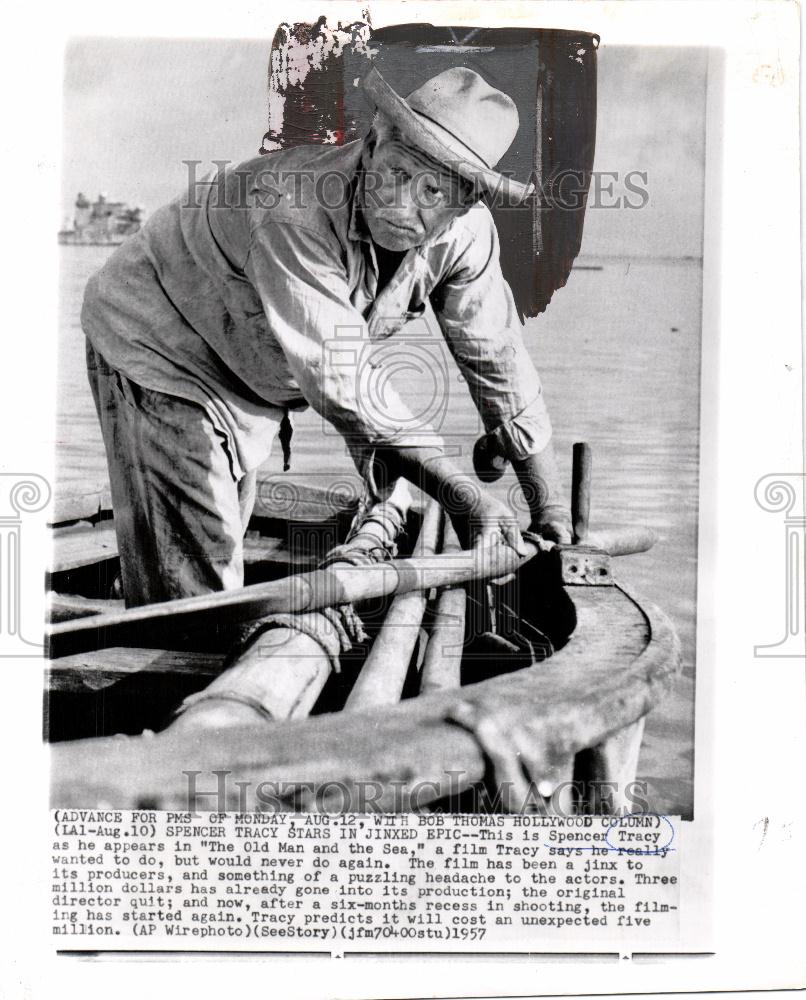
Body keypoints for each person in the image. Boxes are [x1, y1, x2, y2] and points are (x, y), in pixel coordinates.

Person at [81, 66, 572, 745]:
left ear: (463, 203)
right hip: (161, 343)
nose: (406, 203)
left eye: (433, 190)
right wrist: (465, 496)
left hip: (253, 373)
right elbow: (346, 377)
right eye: (397, 174)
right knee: (195, 599)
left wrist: (548, 508)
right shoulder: (296, 203)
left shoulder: (468, 235)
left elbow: (499, 360)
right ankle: (184, 755)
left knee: (212, 543)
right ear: (371, 145)